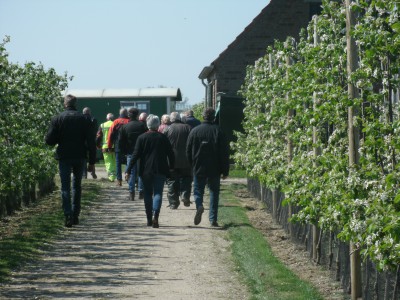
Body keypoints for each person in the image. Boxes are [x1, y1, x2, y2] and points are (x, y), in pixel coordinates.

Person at [45, 94, 96, 227]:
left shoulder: (57, 119)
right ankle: (75, 214)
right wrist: (92, 161)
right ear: (75, 104)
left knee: (65, 187)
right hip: (80, 156)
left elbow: (49, 140)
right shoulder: (85, 119)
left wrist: (59, 138)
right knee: (77, 186)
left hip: (64, 156)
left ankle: (67, 214)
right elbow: (91, 142)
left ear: (65, 104)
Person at [125, 115, 174, 228]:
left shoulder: (141, 138)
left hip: (146, 170)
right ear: (158, 125)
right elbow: (170, 154)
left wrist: (128, 170)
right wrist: (171, 167)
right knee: (158, 193)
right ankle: (155, 216)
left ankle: (148, 219)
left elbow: (135, 155)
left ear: (148, 125)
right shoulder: (163, 138)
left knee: (147, 193)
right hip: (160, 169)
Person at [186, 107, 230, 227]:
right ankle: (213, 219)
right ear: (214, 117)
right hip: (214, 168)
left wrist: (192, 165)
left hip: (198, 166)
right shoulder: (218, 131)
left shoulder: (194, 131)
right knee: (214, 192)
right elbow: (224, 153)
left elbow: (188, 151)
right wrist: (225, 170)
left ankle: (199, 205)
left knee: (197, 190)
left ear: (203, 116)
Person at [164, 112, 192, 209]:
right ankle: (185, 195)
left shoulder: (167, 129)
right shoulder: (188, 127)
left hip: (171, 160)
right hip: (186, 159)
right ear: (179, 118)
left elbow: (164, 144)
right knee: (186, 178)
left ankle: (173, 203)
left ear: (171, 119)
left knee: (172, 181)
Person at [119, 107, 147, 201]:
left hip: (130, 152)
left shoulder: (125, 127)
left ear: (129, 115)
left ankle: (131, 193)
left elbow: (121, 141)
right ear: (137, 115)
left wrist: (123, 152)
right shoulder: (142, 126)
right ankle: (141, 192)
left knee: (130, 172)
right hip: (142, 152)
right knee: (141, 173)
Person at [107, 108, 129, 186]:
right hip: (128, 145)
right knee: (128, 161)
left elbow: (110, 135)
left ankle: (119, 180)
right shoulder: (129, 121)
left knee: (118, 163)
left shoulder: (115, 122)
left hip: (118, 145)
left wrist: (109, 146)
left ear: (120, 113)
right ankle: (127, 174)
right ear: (127, 113)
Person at [96, 113, 116, 182]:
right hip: (114, 147)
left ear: (107, 118)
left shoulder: (102, 125)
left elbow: (98, 136)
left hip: (105, 147)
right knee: (114, 161)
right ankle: (114, 176)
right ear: (113, 118)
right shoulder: (115, 124)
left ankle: (111, 177)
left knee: (108, 162)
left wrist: (98, 145)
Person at [82, 107, 98, 179]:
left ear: (83, 112)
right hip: (91, 140)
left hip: (82, 141)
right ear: (90, 112)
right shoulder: (93, 119)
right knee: (92, 157)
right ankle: (93, 173)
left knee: (83, 157)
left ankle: (84, 174)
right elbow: (95, 130)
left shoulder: (80, 119)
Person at [137, 111, 148, 198]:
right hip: (144, 152)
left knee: (136, 171)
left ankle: (138, 187)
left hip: (134, 151)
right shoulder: (146, 127)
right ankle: (143, 189)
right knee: (142, 171)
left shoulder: (136, 125)